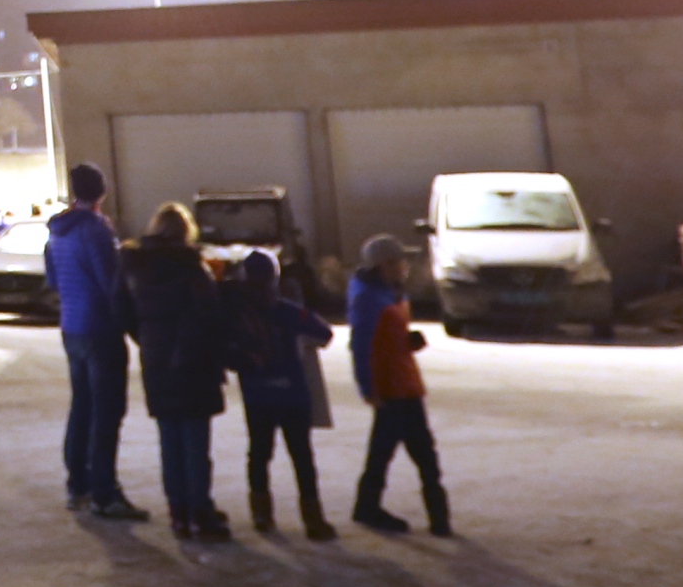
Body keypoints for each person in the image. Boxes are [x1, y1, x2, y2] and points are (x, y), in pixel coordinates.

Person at [124, 204, 231, 540]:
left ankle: (179, 514)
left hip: (156, 359)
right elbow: (209, 316)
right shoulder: (192, 268)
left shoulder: (137, 268)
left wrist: (147, 340)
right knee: (196, 443)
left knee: (169, 440)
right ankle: (201, 510)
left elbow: (124, 311)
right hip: (192, 361)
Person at [47, 165, 147, 522]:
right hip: (100, 329)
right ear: (102, 192)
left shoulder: (58, 231)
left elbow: (54, 280)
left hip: (71, 327)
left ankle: (79, 485)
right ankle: (106, 493)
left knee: (82, 406)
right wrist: (135, 329)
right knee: (107, 411)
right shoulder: (96, 230)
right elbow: (112, 283)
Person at [226, 252, 337, 540]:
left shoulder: (238, 316)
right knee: (301, 456)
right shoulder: (288, 311)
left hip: (257, 396)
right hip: (293, 395)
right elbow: (324, 333)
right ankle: (313, 519)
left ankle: (262, 514)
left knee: (259, 453)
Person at [348, 236, 450, 536]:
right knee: (404, 453)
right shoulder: (368, 299)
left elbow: (385, 338)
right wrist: (368, 388)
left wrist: (406, 342)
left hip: (405, 383)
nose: (403, 267)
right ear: (381, 265)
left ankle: (373, 507)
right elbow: (361, 347)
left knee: (401, 451)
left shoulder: (389, 293)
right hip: (391, 389)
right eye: (395, 262)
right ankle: (435, 518)